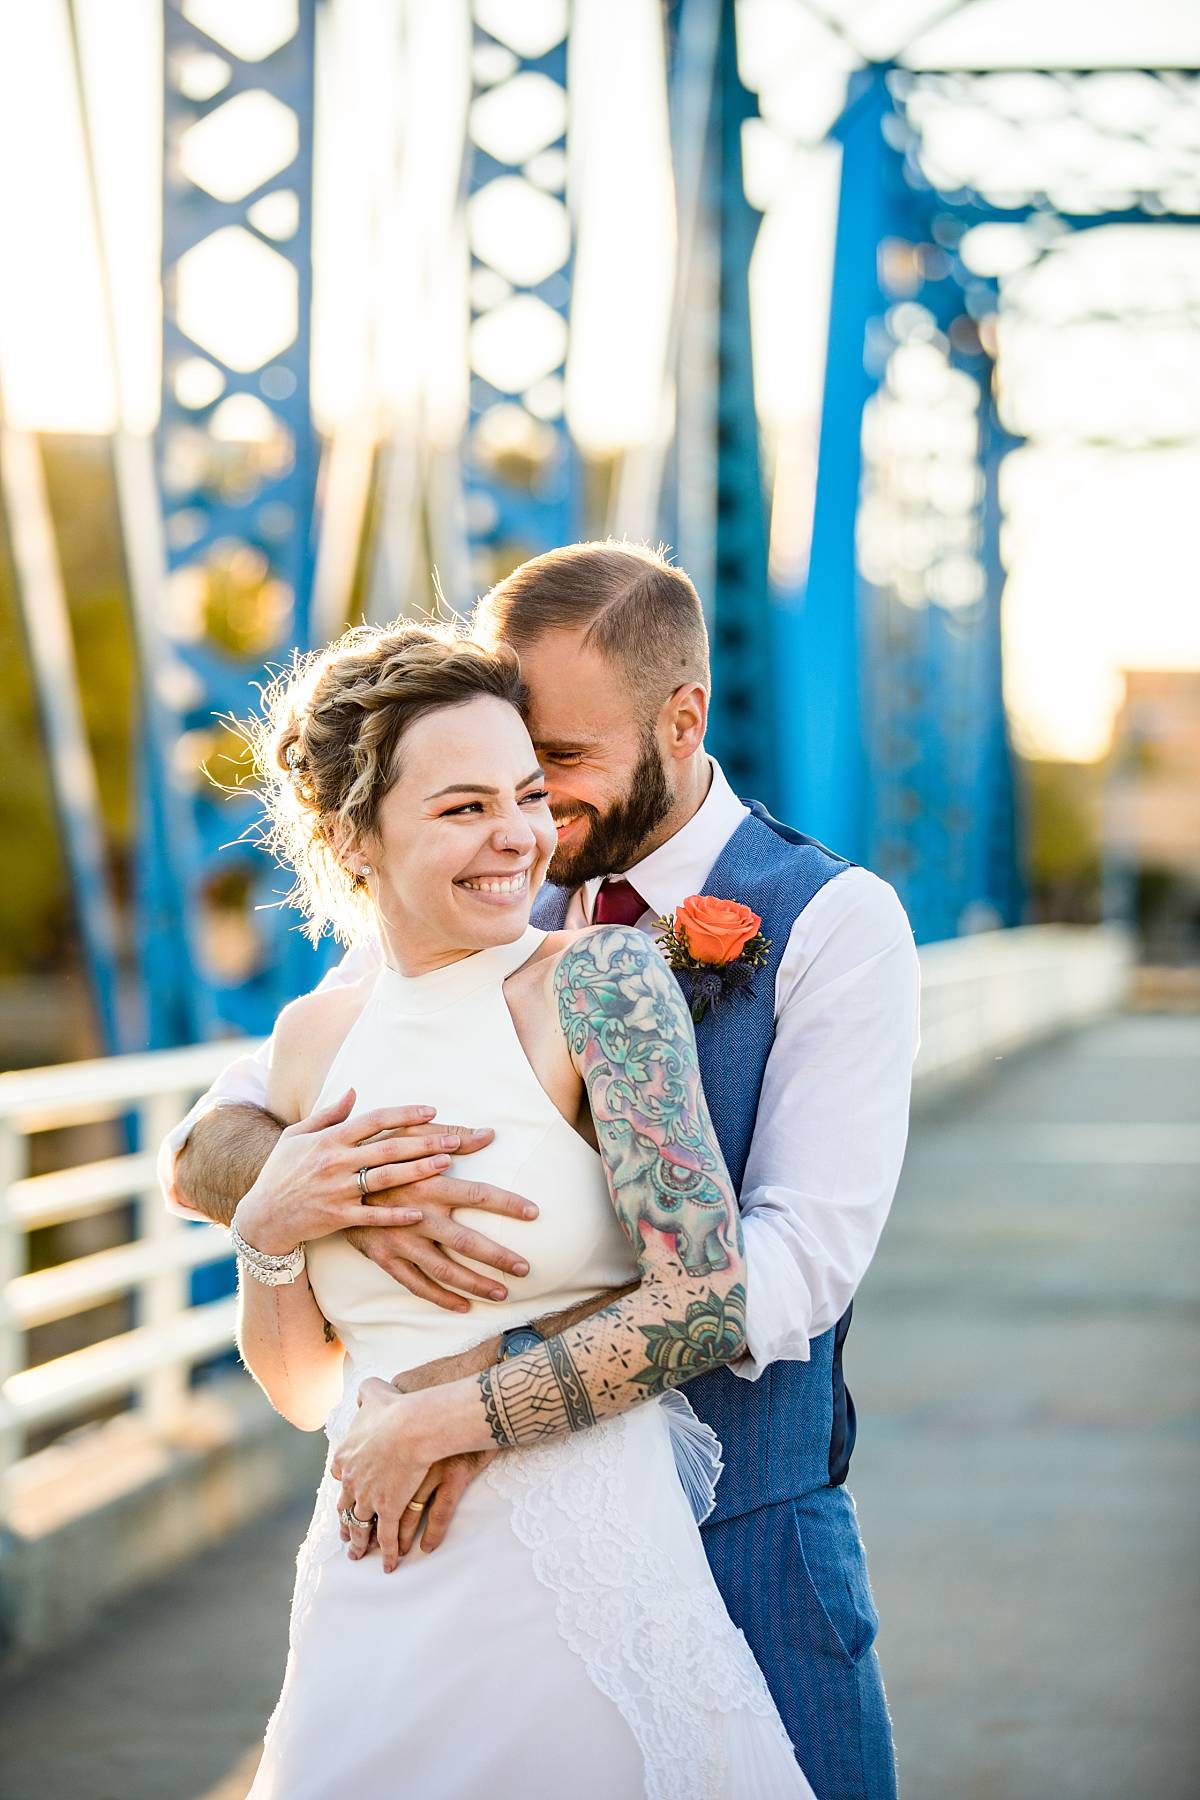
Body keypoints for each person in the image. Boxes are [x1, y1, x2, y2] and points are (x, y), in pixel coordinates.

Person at [162, 542, 919, 1799]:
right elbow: (212, 1146)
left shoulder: (831, 921)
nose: (529, 815)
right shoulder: (465, 906)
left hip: (737, 1530)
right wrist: (338, 1194)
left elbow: (799, 1267)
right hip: (422, 1549)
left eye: (552, 767)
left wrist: (496, 1380)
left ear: (682, 720)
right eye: (484, 783)